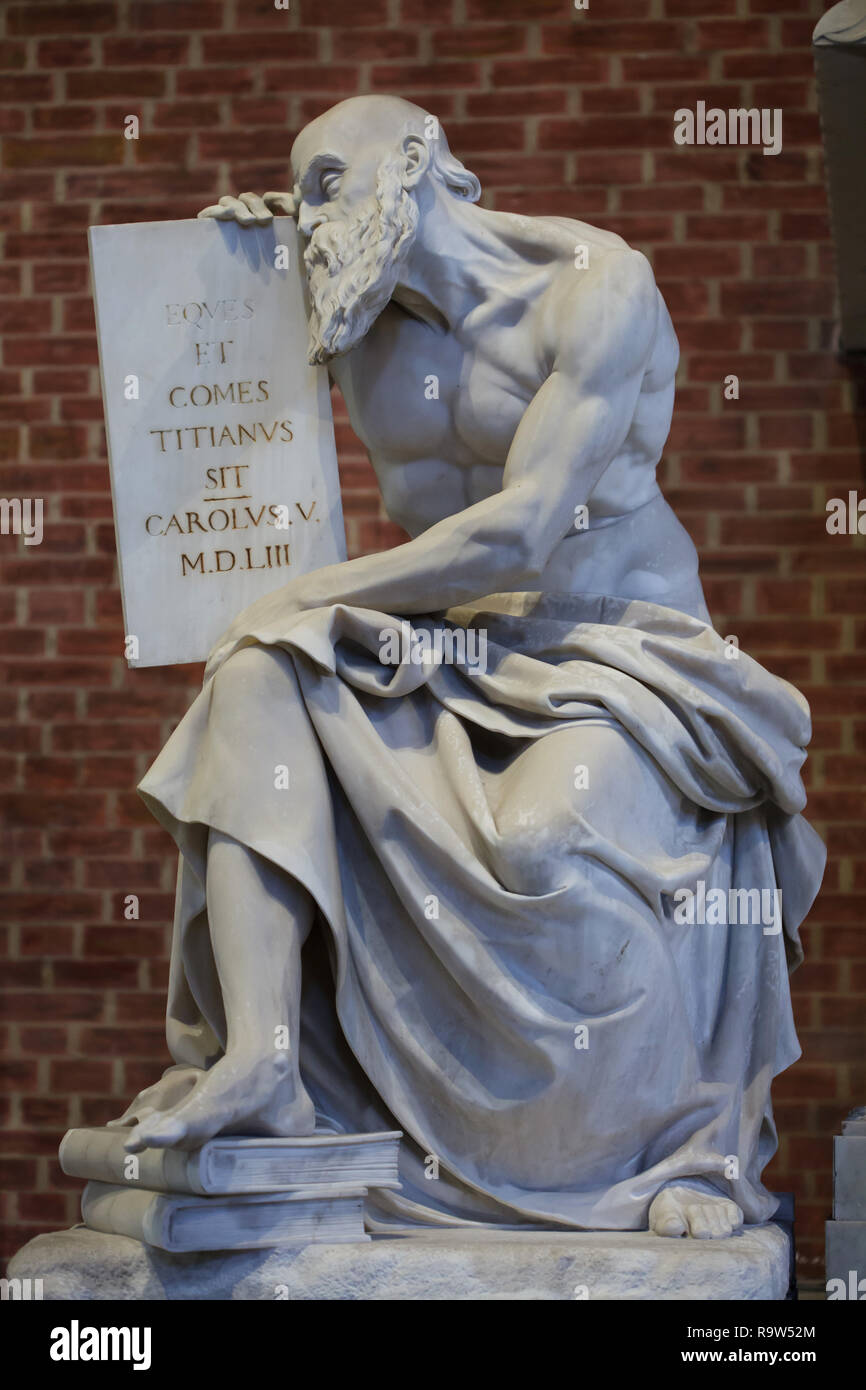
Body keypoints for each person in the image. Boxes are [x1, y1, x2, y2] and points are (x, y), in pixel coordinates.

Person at [111, 96, 825, 1239]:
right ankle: (263, 1060)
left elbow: (522, 529)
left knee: (539, 841)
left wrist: (315, 594)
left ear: (421, 156)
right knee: (253, 674)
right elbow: (238, 444)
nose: (313, 214)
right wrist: (230, 283)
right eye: (302, 195)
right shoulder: (351, 322)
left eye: (330, 181)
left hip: (617, 653)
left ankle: (652, 1137)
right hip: (453, 648)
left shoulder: (594, 286)